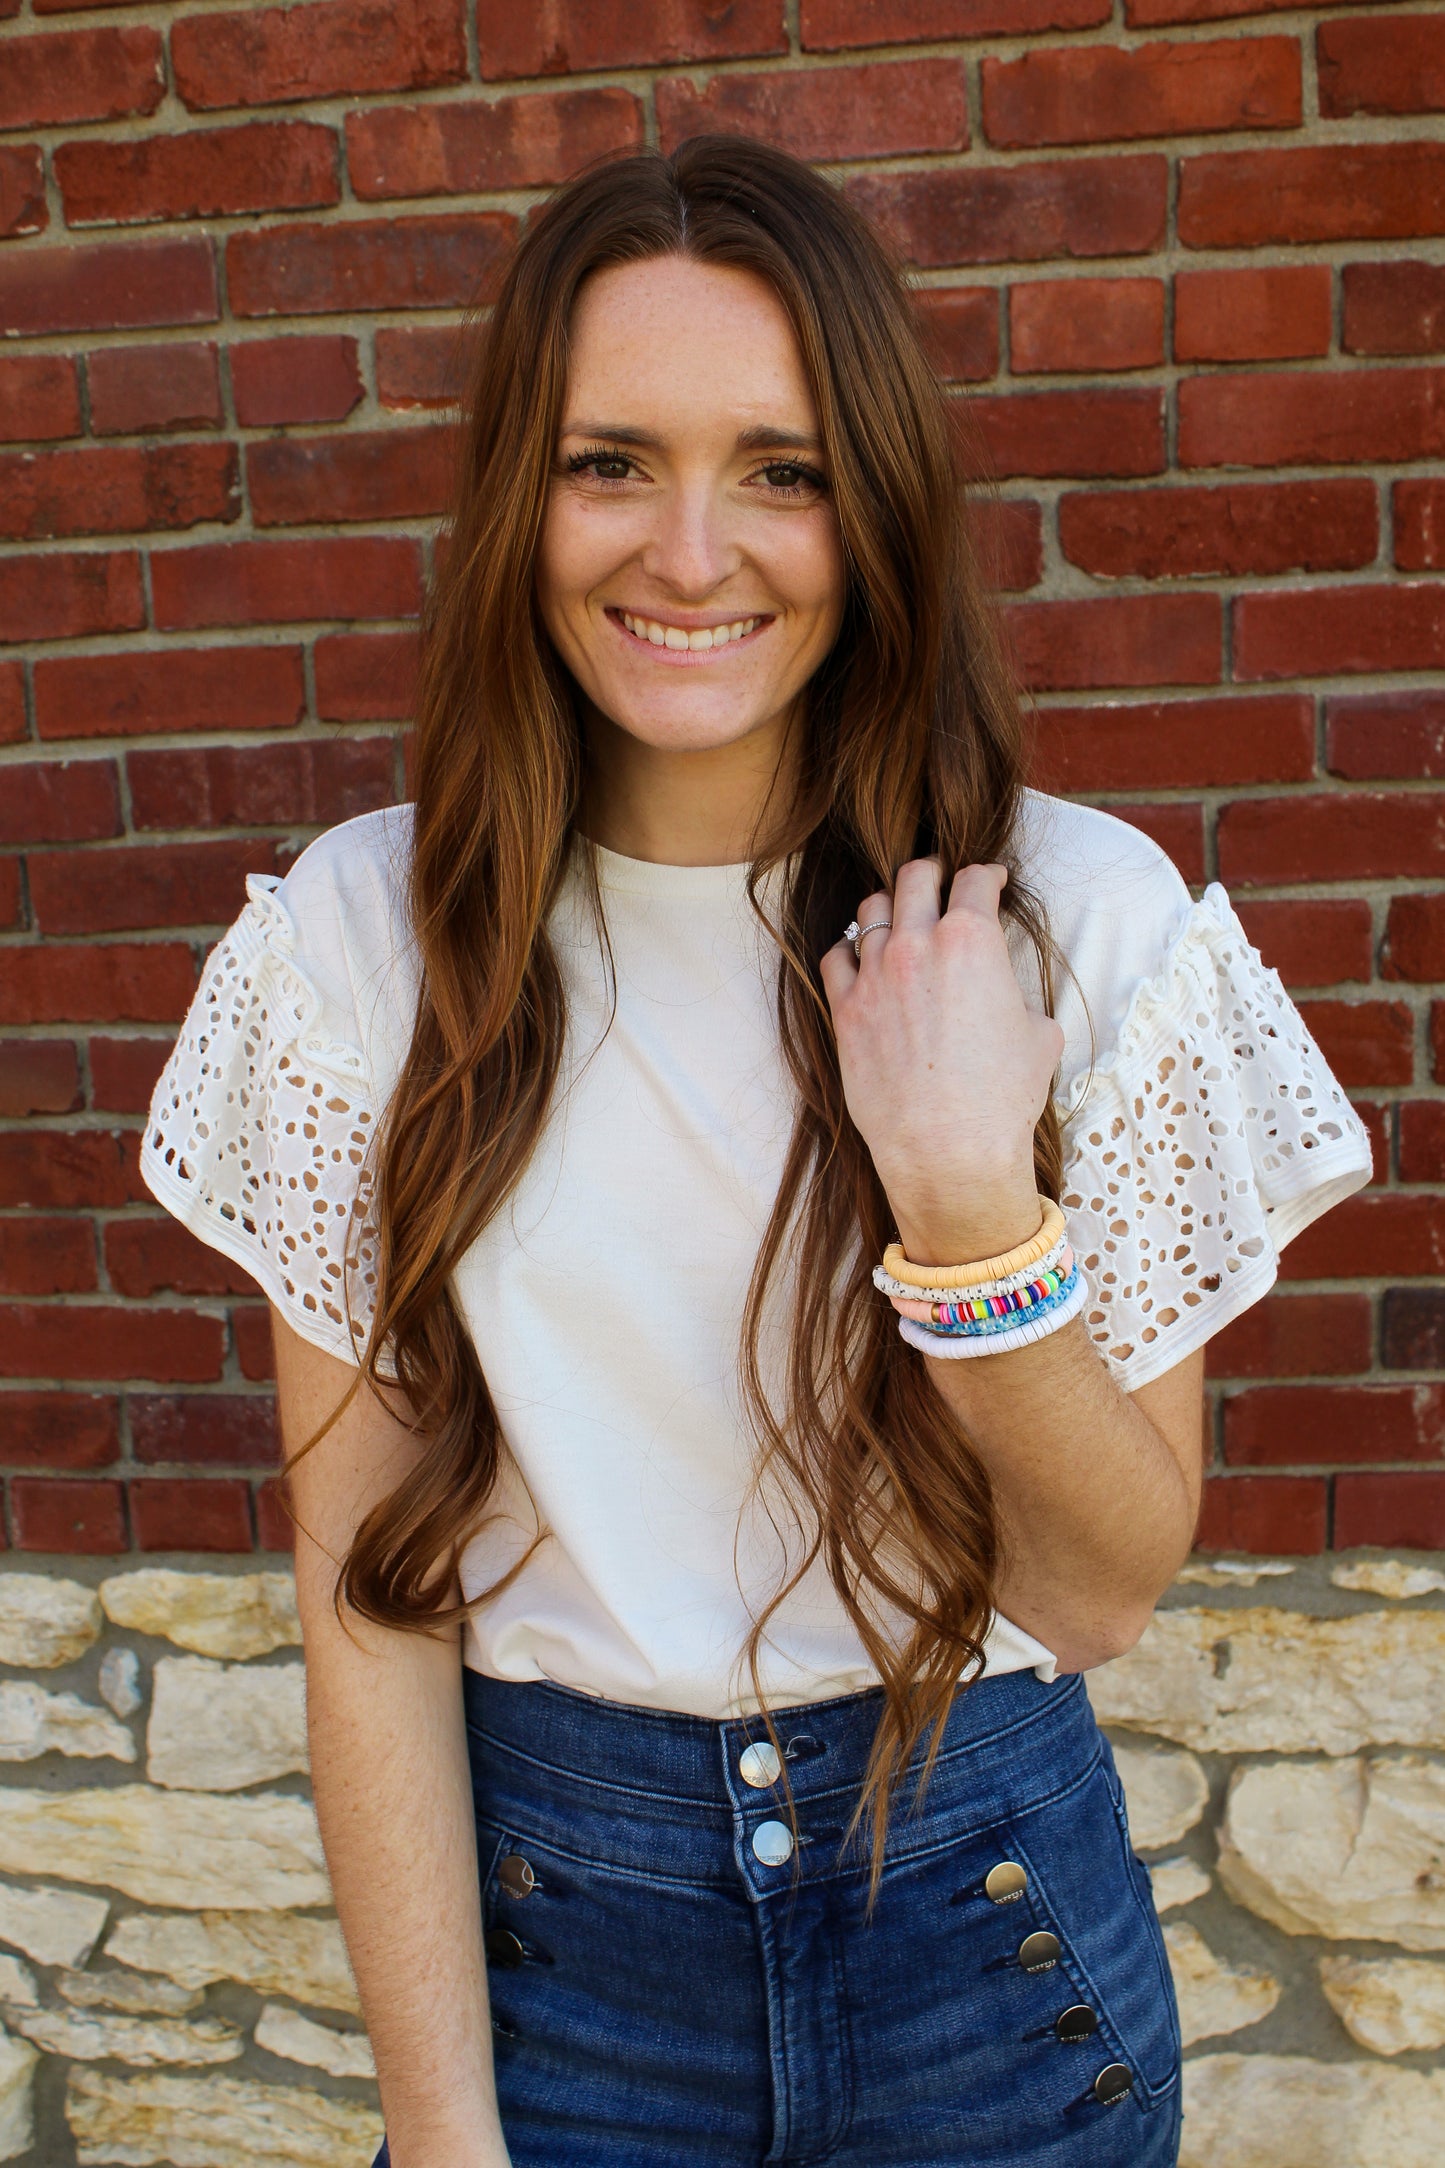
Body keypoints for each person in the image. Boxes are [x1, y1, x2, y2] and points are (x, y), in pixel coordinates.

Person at [139, 136, 1373, 2168]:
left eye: (780, 471)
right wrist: (445, 2137)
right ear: (517, 501)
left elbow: (1099, 1586)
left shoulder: (1083, 924)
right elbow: (362, 1599)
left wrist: (970, 1202)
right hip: (557, 1974)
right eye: (610, 460)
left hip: (980, 1952)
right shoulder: (359, 953)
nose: (690, 551)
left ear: (873, 508)